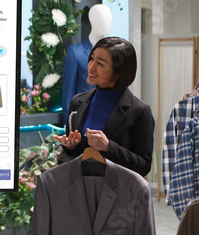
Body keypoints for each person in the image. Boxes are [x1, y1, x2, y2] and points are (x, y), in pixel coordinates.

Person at [53, 37, 154, 177]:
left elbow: (143, 166)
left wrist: (108, 147)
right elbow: (75, 157)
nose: (91, 66)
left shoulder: (140, 111)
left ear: (119, 72)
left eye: (100, 64)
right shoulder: (77, 102)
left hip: (119, 194)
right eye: (91, 58)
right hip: (81, 192)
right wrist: (70, 147)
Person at [62, 4, 112, 126]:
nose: (107, 22)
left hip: (110, 121)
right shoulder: (75, 53)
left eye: (109, 18)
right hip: (84, 121)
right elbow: (68, 95)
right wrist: (70, 128)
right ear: (92, 20)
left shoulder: (113, 53)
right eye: (101, 18)